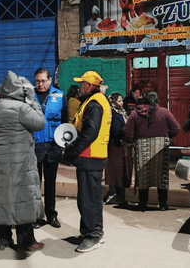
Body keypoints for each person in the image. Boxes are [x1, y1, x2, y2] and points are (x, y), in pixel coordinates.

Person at [0, 71, 46, 252]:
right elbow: (40, 123)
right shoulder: (21, 109)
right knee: (21, 199)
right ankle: (26, 241)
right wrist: (34, 102)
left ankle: (3, 240)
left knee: (2, 199)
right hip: (20, 162)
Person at [63, 71, 111, 253]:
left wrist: (72, 149)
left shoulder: (94, 104)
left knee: (88, 199)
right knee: (92, 197)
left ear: (89, 86)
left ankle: (93, 235)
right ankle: (92, 231)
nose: (80, 86)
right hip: (93, 158)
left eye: (83, 83)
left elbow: (90, 133)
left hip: (90, 157)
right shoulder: (97, 101)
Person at [124, 91, 180, 211]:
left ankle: (143, 203)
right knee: (162, 175)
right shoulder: (164, 112)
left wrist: (133, 139)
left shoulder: (135, 113)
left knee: (143, 175)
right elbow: (176, 128)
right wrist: (166, 137)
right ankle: (163, 204)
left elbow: (127, 132)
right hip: (161, 146)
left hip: (141, 146)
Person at [32, 68, 67, 229]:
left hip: (53, 146)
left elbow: (66, 120)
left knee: (51, 182)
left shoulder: (60, 95)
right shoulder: (28, 96)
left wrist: (63, 144)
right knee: (34, 183)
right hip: (34, 145)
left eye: (43, 81)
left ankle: (51, 215)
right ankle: (36, 217)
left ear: (50, 80)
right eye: (37, 81)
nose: (40, 84)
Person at [104, 92, 132, 205]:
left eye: (122, 100)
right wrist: (126, 130)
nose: (122, 103)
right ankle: (114, 194)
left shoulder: (121, 112)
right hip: (115, 146)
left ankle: (118, 195)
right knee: (115, 172)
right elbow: (115, 130)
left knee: (119, 171)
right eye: (119, 101)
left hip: (119, 146)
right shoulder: (114, 114)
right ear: (113, 102)